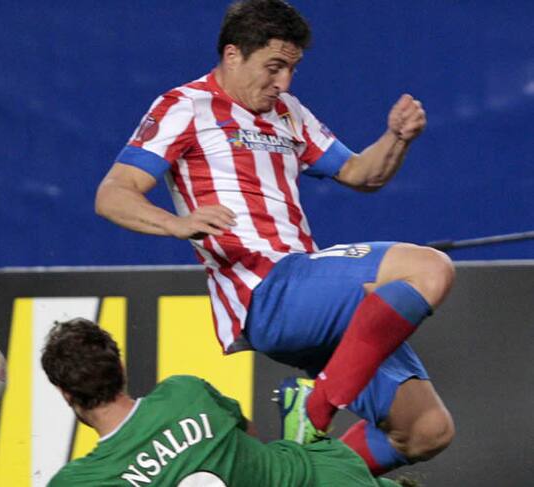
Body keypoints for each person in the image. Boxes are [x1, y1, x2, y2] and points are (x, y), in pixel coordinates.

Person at [95, 0, 455, 476]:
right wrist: (177, 223)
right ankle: (315, 409)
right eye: (274, 67)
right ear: (232, 55)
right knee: (429, 268)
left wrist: (396, 139)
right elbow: (113, 194)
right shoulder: (185, 106)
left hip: (310, 293)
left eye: (292, 69)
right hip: (265, 291)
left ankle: (299, 477)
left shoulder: (288, 112)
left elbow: (359, 173)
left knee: (426, 429)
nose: (283, 81)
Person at [41, 317, 405, 486]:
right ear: (120, 367)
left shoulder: (79, 482)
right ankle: (302, 428)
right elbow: (248, 435)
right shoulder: (184, 392)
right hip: (330, 476)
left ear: (65, 392)